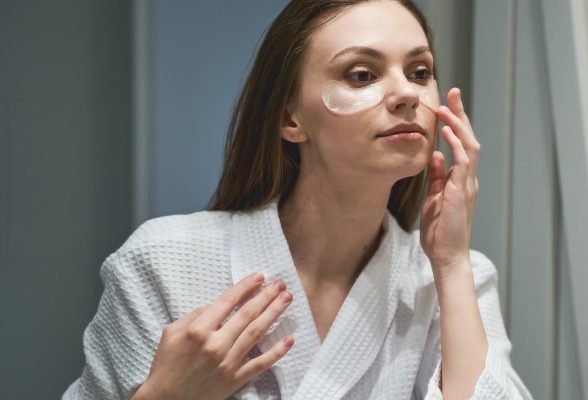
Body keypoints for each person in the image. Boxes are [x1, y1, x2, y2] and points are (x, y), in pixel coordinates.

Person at [63, 0, 531, 399]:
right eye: (362, 74)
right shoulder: (163, 261)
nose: (407, 92)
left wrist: (449, 265)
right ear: (291, 119)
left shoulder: (450, 280)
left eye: (420, 71)